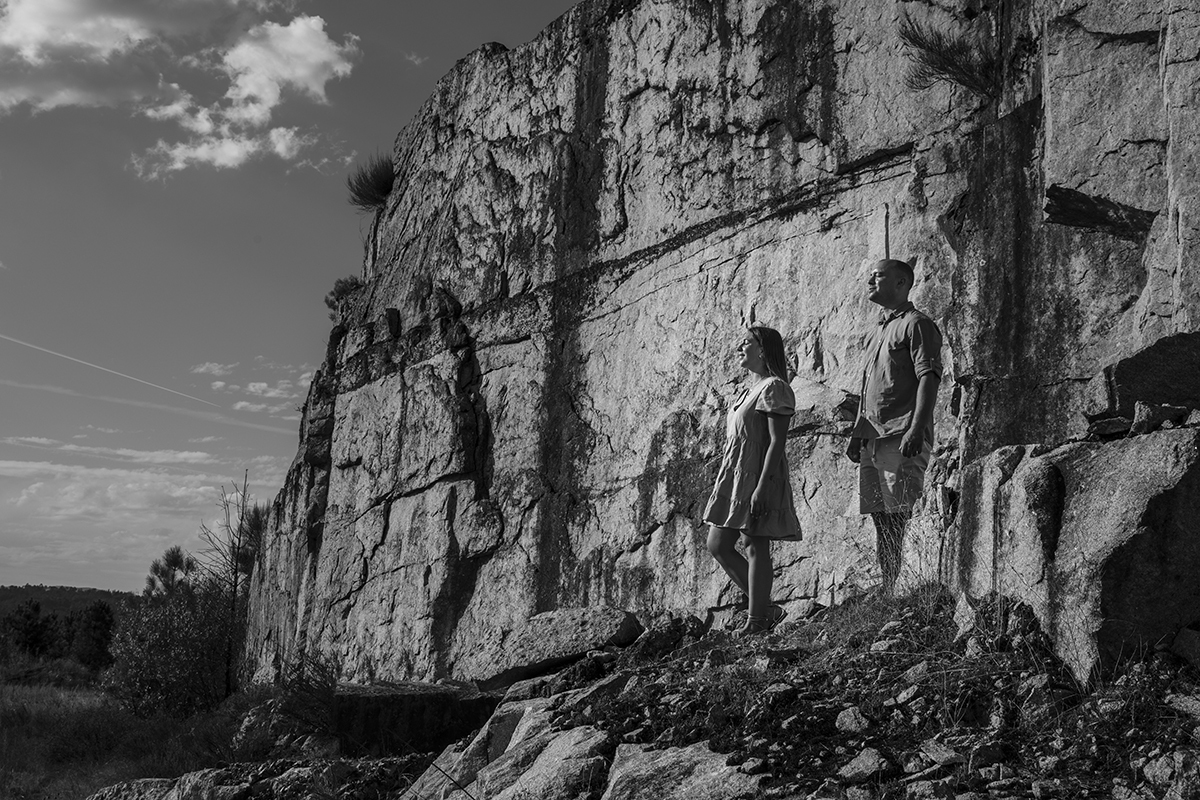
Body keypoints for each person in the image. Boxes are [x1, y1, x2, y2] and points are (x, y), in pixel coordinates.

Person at [845, 259, 942, 595]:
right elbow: (869, 388)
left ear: (901, 283)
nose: (870, 280)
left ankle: (909, 590)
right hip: (872, 438)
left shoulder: (917, 324)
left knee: (901, 513)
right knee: (880, 517)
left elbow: (929, 377)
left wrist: (916, 428)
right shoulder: (877, 331)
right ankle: (890, 588)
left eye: (878, 275)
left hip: (900, 434)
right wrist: (857, 434)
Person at [703, 326, 803, 636]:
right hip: (737, 472)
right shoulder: (749, 390)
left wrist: (762, 486)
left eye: (746, 342)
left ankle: (757, 620)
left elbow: (777, 441)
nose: (739, 348)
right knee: (718, 544)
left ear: (762, 349)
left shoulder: (774, 387)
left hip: (760, 474)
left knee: (754, 543)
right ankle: (765, 610)